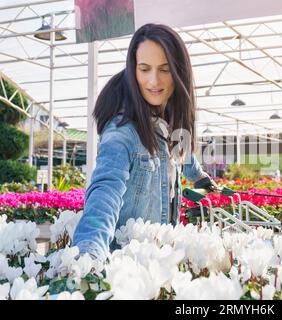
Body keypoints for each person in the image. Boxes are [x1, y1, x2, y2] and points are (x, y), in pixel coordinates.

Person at [72, 23, 217, 262]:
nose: (154, 80)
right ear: (133, 70)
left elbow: (183, 154)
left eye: (164, 69)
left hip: (159, 260)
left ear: (179, 72)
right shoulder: (123, 132)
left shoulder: (171, 119)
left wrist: (201, 179)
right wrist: (89, 253)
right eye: (144, 69)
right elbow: (105, 190)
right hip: (127, 267)